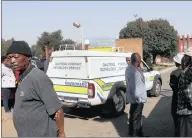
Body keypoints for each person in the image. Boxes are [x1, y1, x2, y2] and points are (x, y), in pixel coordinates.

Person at [6, 41, 65, 137]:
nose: (12, 60)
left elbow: (58, 110)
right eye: (9, 58)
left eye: (16, 57)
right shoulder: (22, 77)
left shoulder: (38, 77)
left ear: (28, 58)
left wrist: (61, 134)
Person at [125, 53, 147, 137]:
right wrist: (139, 98)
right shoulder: (133, 71)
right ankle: (134, 134)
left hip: (135, 97)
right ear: (138, 60)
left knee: (136, 115)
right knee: (135, 116)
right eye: (140, 59)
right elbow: (134, 86)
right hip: (137, 97)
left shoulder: (130, 68)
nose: (141, 60)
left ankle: (138, 133)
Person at [176, 47, 192, 137]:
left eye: (185, 56)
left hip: (186, 112)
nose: (184, 58)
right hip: (187, 112)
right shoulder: (188, 71)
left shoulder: (186, 71)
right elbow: (188, 93)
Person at [169, 53, 184, 136]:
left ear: (177, 63)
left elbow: (174, 88)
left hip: (177, 102)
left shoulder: (174, 73)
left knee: (177, 125)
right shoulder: (188, 72)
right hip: (186, 104)